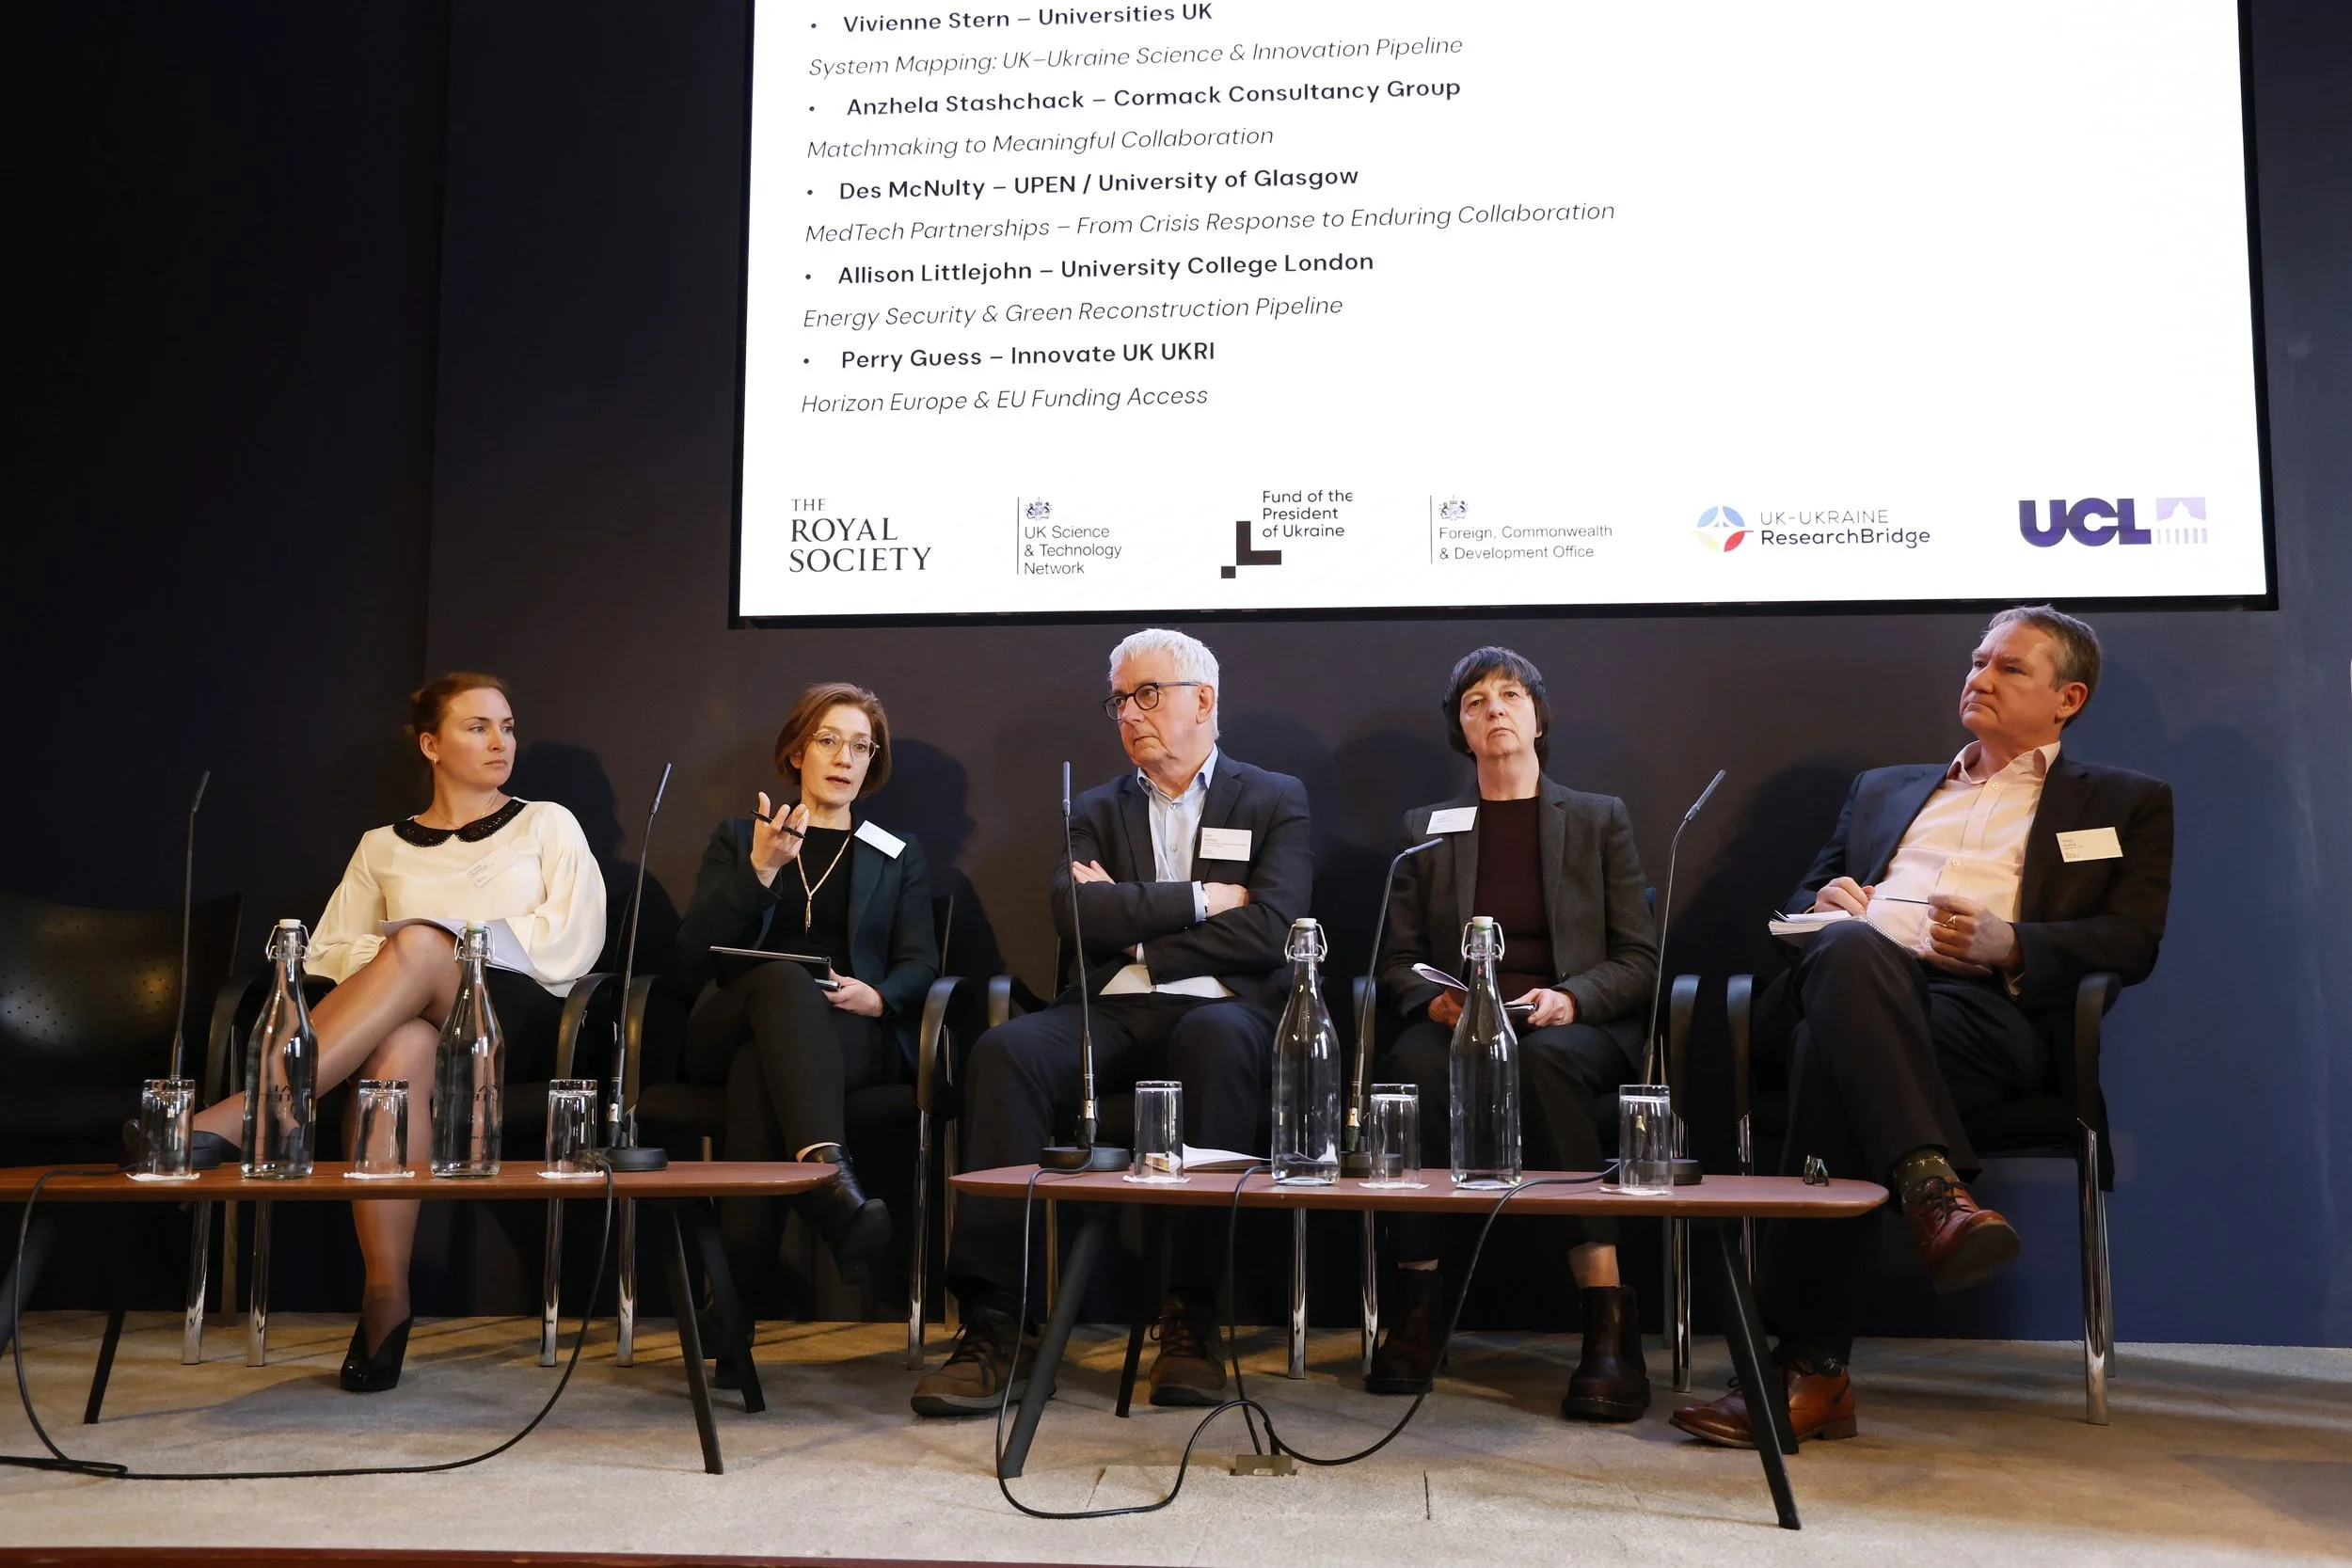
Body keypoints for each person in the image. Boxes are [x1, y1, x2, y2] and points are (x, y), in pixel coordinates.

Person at [1671, 606, 2172, 1448]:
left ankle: (1809, 1369)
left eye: (2010, 667)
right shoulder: (1884, 789)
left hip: (1983, 1013)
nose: (1980, 677)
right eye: (1978, 660)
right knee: (1847, 955)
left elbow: (2133, 938)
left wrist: (2013, 942)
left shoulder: (2125, 802)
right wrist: (1823, 901)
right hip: (1851, 975)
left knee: (1829, 1052)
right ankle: (1932, 1193)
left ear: (2068, 698)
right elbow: (1802, 898)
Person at [910, 627, 1313, 1418]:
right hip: (1113, 1006)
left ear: (1205, 700)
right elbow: (1075, 914)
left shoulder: (1273, 798)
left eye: (1147, 694)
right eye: (1121, 699)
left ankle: (1191, 1315)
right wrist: (1201, 899)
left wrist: (1137, 934)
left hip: (1222, 1008)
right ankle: (1000, 1320)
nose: (1129, 713)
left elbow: (1271, 928)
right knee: (1004, 1051)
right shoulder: (1094, 808)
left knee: (1218, 1041)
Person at [185, 673, 607, 1392]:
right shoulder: (380, 846)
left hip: (517, 1020)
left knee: (418, 943)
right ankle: (386, 1295)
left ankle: (254, 1111)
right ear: (431, 744)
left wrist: (436, 942)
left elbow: (573, 936)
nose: (500, 741)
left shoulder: (547, 823)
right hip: (418, 1027)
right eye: (478, 726)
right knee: (397, 1046)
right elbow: (330, 953)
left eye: (507, 726)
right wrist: (406, 959)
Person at [1368, 646, 1661, 1419]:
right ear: (1460, 732)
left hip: (1567, 1027)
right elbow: (1394, 961)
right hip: (1463, 1025)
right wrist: (1431, 1001)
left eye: (1509, 695)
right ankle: (1417, 1313)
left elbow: (1640, 958)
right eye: (1475, 701)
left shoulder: (1597, 818)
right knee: (1411, 1068)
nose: (1494, 708)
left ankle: (1608, 1326)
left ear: (1538, 716)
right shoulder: (1426, 830)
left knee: (1545, 1066)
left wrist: (1570, 998)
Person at [674, 682, 939, 1281]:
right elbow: (693, 951)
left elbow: (920, 963)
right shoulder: (740, 838)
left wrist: (878, 997)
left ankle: (732, 1303)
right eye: (828, 741)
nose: (845, 758)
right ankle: (829, 1181)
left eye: (861, 746)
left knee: (758, 1073)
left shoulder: (895, 853)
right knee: (784, 980)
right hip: (732, 1017)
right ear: (797, 753)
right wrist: (761, 868)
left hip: (844, 1028)